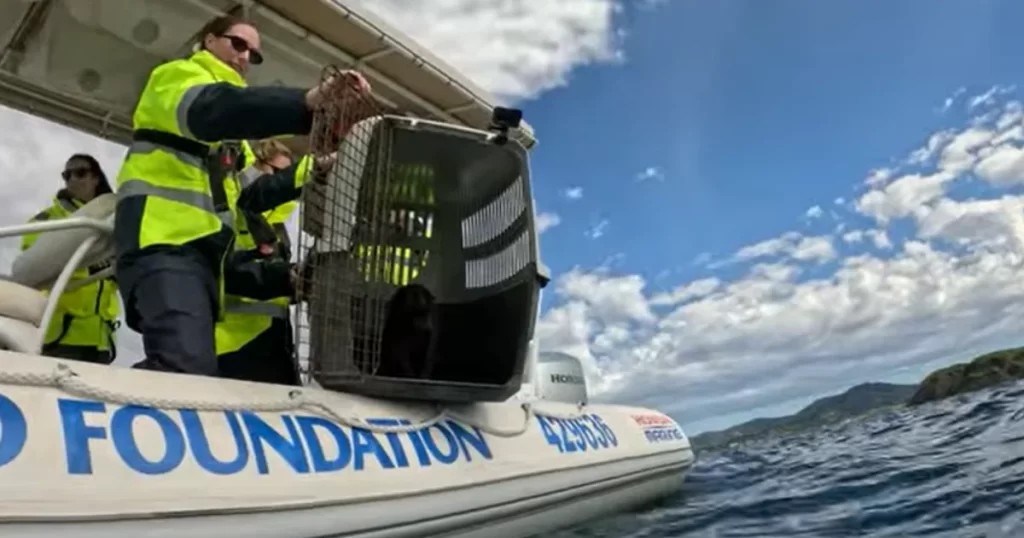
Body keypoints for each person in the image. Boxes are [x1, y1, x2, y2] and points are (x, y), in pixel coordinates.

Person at [113, 13, 372, 377]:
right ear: (209, 40)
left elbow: (253, 195)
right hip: (161, 241)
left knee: (193, 369)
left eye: (254, 53)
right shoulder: (176, 77)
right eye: (238, 44)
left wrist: (319, 165)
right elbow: (212, 110)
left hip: (207, 253)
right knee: (184, 366)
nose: (245, 57)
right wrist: (307, 103)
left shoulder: (237, 140)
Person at [215, 139, 308, 385]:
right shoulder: (228, 216)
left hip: (274, 344)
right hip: (235, 348)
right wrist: (285, 278)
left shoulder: (274, 228)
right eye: (276, 173)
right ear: (256, 164)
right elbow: (227, 271)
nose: (279, 182)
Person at [22, 154, 120, 364]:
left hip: (101, 339)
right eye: (67, 175)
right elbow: (32, 265)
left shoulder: (112, 221)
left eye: (80, 173)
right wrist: (95, 264)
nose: (72, 179)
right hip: (61, 336)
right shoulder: (48, 220)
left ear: (96, 178)